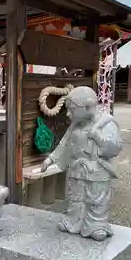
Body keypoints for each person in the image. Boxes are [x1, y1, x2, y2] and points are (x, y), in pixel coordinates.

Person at [41, 86, 122, 241]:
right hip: (77, 168)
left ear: (88, 106)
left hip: (97, 170)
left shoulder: (106, 123)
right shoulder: (76, 125)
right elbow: (64, 143)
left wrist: (98, 136)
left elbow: (115, 147)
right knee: (75, 197)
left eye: (72, 110)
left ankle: (96, 225)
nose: (68, 114)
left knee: (96, 199)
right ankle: (74, 221)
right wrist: (50, 158)